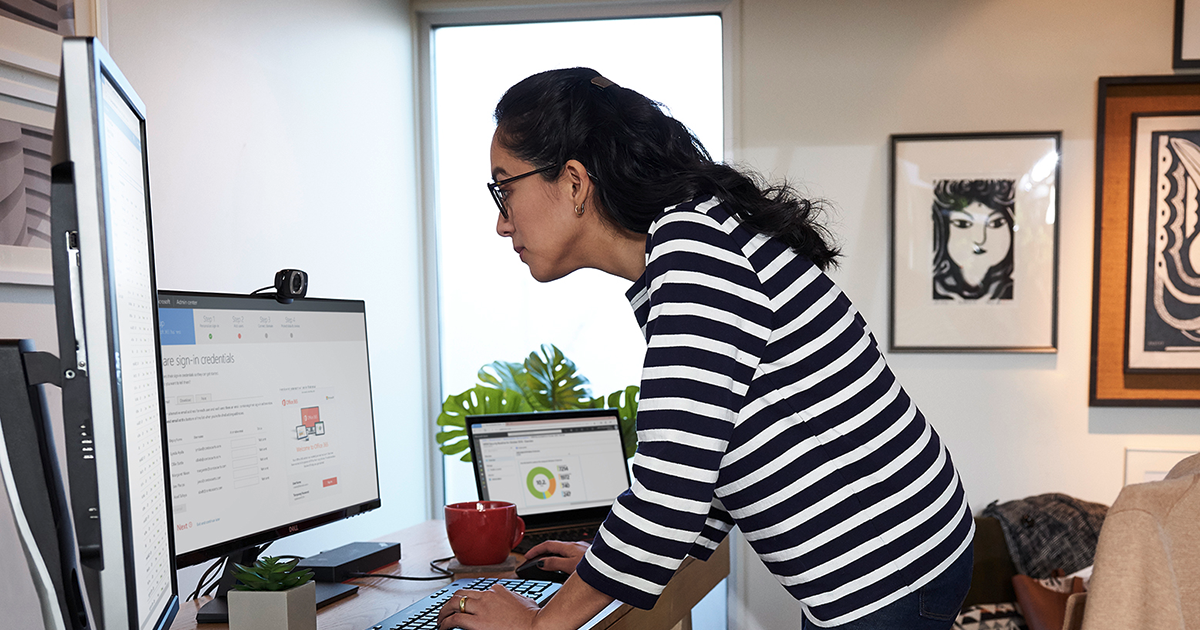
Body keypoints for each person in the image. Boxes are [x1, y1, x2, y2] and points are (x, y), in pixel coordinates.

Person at [438, 68, 975, 630]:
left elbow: (670, 486)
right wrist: (601, 570)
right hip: (901, 558)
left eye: (505, 189)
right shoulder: (693, 239)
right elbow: (711, 452)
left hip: (889, 571)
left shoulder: (695, 254)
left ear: (574, 182)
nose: (501, 223)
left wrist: (538, 625)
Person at [931, 179, 1015, 301]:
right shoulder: (929, 289)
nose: (980, 240)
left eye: (995, 223)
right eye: (962, 224)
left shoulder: (1022, 291)